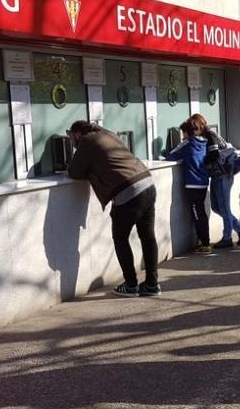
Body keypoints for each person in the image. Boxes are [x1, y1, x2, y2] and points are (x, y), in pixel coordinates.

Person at [67, 120, 162, 297]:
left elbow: (74, 172)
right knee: (147, 236)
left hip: (129, 191)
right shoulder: (108, 134)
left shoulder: (87, 141)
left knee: (120, 238)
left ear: (77, 134)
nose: (70, 140)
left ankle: (131, 285)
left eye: (70, 136)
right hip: (147, 184)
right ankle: (152, 284)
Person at [187, 114, 240, 249]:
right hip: (218, 175)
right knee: (216, 207)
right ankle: (239, 228)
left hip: (222, 175)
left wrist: (199, 159)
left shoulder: (209, 135)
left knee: (224, 207)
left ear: (201, 125)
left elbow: (214, 155)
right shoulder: (207, 136)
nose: (193, 131)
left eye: (195, 127)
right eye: (191, 129)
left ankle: (227, 238)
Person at [165, 120, 211, 254]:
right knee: (201, 212)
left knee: (197, 214)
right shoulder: (203, 143)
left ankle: (205, 243)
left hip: (192, 184)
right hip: (203, 183)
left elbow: (170, 155)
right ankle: (204, 240)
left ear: (186, 132)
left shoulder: (187, 144)